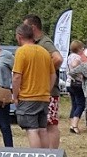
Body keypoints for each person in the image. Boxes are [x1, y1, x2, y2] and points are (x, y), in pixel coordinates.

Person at [12, 23, 57, 148]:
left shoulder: (21, 51)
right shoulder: (44, 52)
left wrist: (15, 96)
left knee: (32, 130)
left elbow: (16, 77)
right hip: (43, 97)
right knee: (42, 129)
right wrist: (47, 90)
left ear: (19, 36)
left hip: (28, 97)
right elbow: (53, 75)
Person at [23, 14, 63, 148]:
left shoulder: (44, 42)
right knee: (43, 125)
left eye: (25, 26)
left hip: (49, 90)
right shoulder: (36, 43)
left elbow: (58, 59)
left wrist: (44, 73)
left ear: (33, 27)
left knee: (50, 124)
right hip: (42, 91)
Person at [66, 39, 87, 134]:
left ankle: (72, 123)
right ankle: (74, 124)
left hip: (69, 83)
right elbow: (74, 65)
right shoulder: (77, 58)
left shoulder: (69, 56)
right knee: (81, 104)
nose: (83, 49)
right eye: (82, 48)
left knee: (74, 104)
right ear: (78, 49)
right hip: (76, 83)